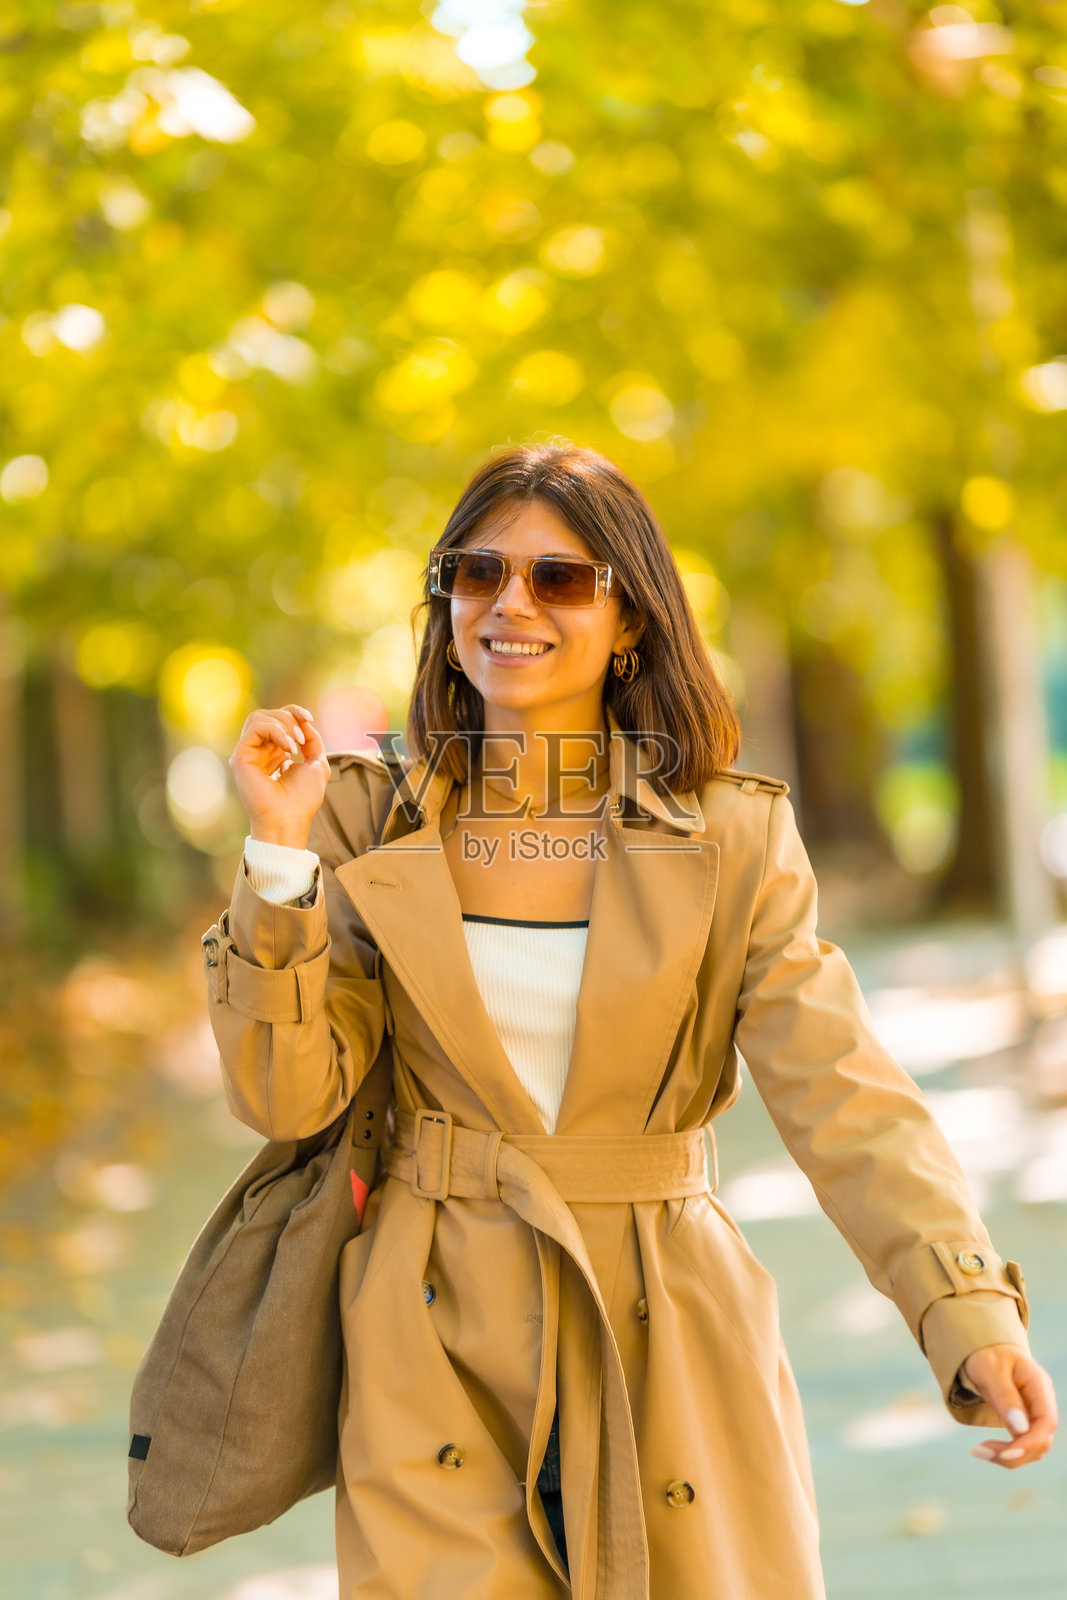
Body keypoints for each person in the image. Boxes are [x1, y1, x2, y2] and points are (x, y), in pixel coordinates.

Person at [210, 442, 1056, 1600]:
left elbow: (839, 1085)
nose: (508, 603)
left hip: (668, 1326)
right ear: (443, 601)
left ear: (631, 621)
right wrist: (275, 857)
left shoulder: (730, 836)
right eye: (475, 573)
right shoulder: (360, 820)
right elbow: (285, 1096)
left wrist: (961, 1304)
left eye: (557, 578)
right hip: (431, 1334)